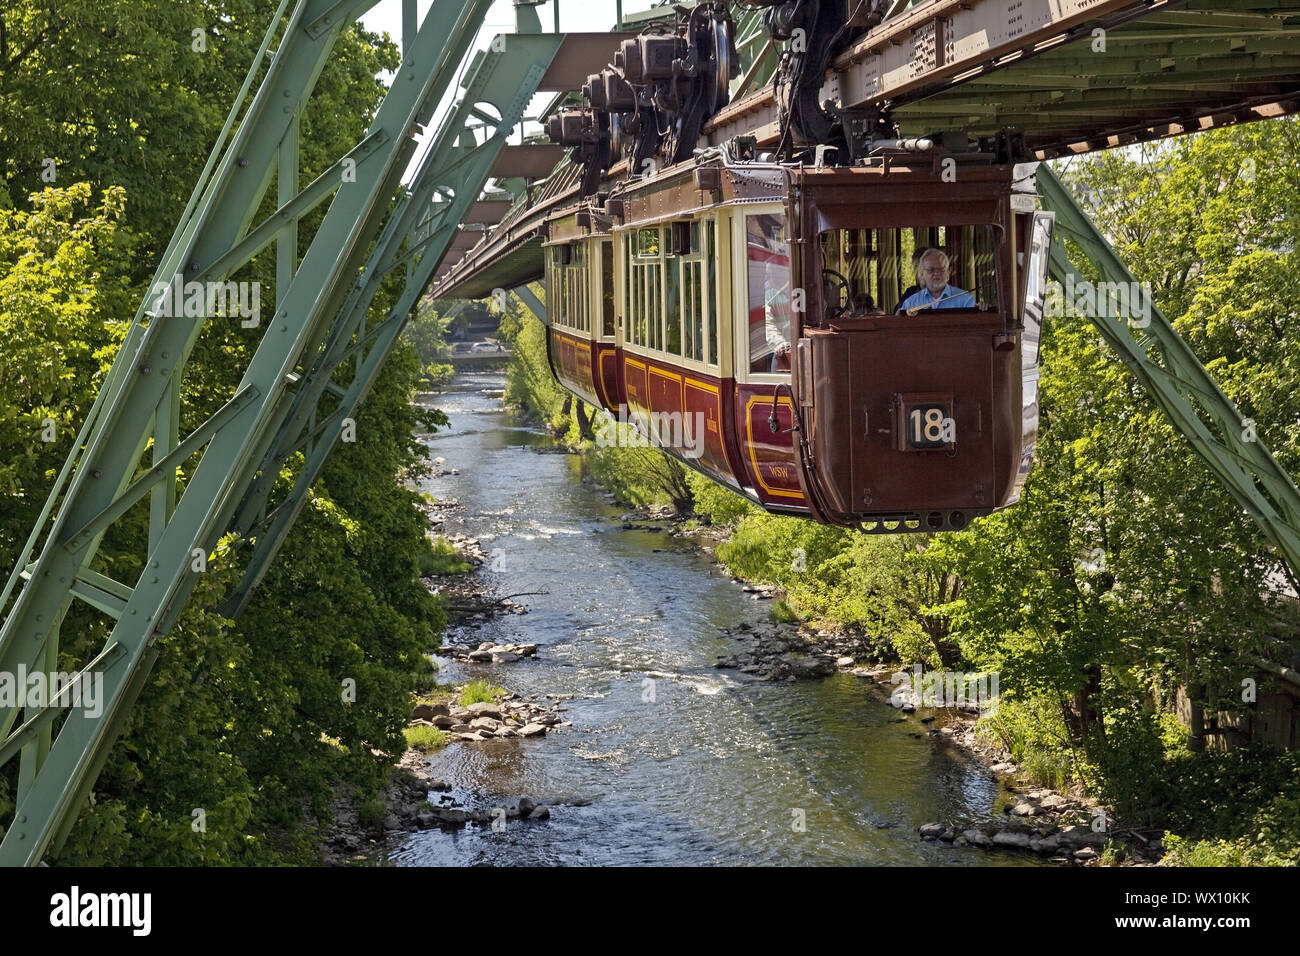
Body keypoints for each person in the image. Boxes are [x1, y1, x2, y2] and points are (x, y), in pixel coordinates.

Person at [897, 248, 977, 313]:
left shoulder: (965, 300)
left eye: (941, 269)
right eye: (931, 270)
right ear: (922, 274)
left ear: (948, 272)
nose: (936, 273)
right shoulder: (911, 303)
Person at [756, 260, 792, 372]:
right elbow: (768, 324)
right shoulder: (769, 296)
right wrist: (780, 343)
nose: (768, 278)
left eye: (771, 274)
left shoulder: (799, 293)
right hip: (783, 349)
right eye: (767, 275)